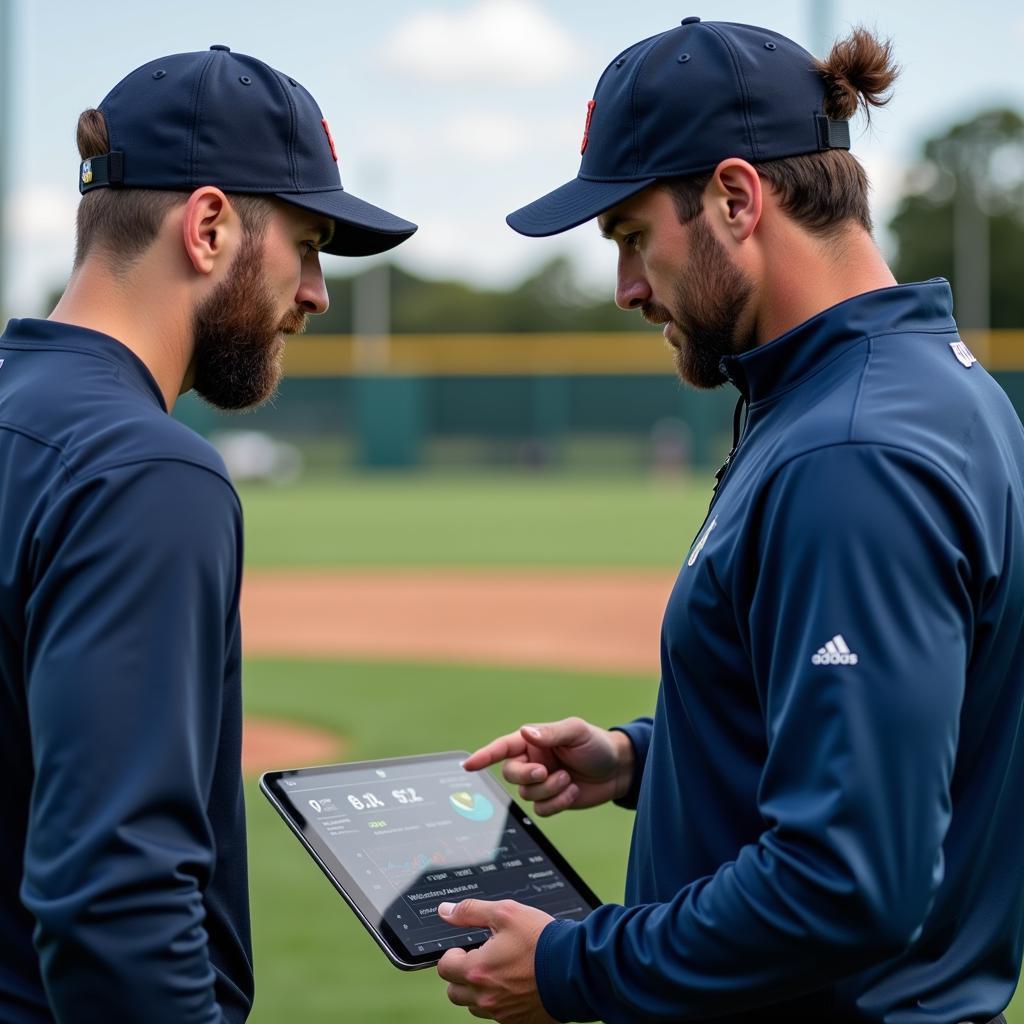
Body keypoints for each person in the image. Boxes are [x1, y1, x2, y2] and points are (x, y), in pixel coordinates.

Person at [435, 18, 1024, 1024]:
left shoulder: (848, 452)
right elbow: (894, 728)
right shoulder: (916, 389)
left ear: (736, 197)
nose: (625, 286)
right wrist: (642, 759)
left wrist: (576, 966)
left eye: (629, 236)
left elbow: (848, 882)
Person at [0, 46, 415, 1022]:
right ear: (210, 224)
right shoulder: (145, 470)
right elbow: (116, 903)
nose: (315, 292)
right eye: (308, 244)